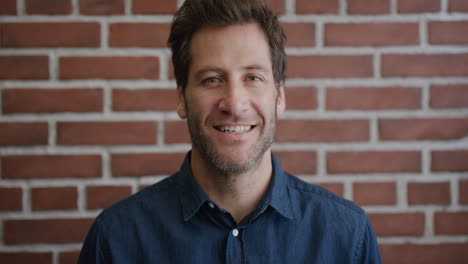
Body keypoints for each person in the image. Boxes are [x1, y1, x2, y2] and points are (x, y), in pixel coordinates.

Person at [79, 0, 382, 263]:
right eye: (212, 79)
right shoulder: (115, 240)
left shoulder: (347, 236)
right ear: (181, 97)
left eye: (252, 77)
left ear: (280, 97)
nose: (234, 104)